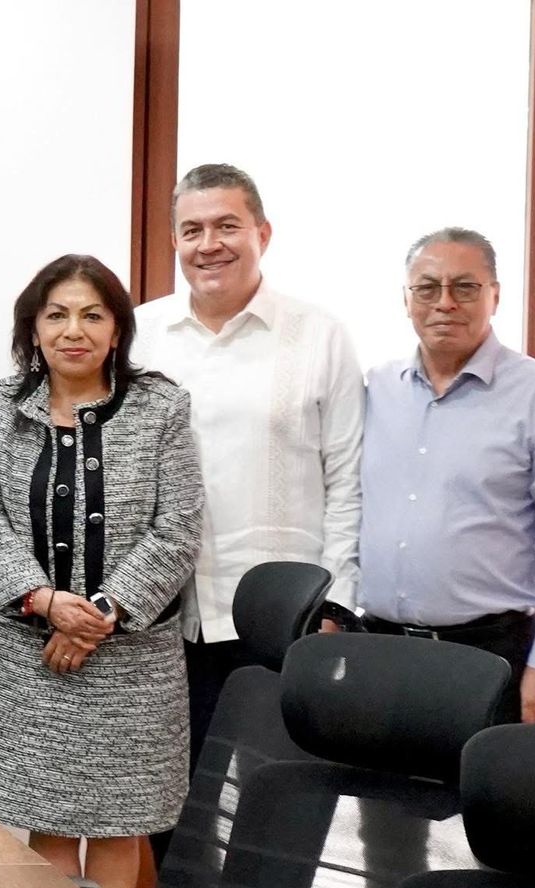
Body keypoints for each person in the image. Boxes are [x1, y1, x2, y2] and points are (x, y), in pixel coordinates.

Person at [0, 254, 202, 888]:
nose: (75, 330)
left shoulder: (161, 407)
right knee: (50, 821)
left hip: (133, 662)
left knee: (122, 825)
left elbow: (178, 527)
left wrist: (97, 614)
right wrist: (44, 601)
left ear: (117, 329)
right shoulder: (1, 407)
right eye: (57, 314)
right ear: (33, 329)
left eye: (93, 315)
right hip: (30, 657)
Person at [133, 163, 363, 776]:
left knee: (278, 805)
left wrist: (336, 607)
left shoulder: (320, 336)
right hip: (161, 622)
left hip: (284, 623)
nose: (209, 244)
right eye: (192, 230)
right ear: (174, 241)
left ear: (263, 233)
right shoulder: (140, 335)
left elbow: (348, 482)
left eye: (227, 226)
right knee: (167, 807)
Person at [360, 227, 535, 725]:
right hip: (378, 648)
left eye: (465, 287)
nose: (444, 302)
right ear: (406, 300)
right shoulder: (377, 388)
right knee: (370, 777)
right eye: (427, 288)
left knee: (486, 778)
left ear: (495, 295)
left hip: (490, 654)